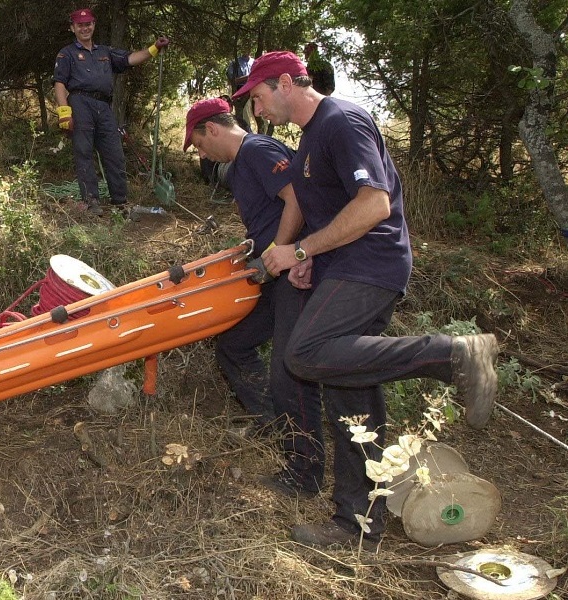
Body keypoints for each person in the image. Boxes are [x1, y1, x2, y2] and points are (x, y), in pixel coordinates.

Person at [238, 51, 499, 550]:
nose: (257, 110)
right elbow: (330, 212)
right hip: (343, 266)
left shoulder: (342, 121)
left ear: (286, 83)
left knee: (304, 352)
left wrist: (301, 250)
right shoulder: (310, 138)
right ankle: (357, 523)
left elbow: (374, 204)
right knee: (350, 393)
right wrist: (309, 254)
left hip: (370, 265)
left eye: (258, 97)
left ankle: (453, 354)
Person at [184, 98, 323, 487]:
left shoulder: (258, 150)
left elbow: (298, 198)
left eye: (199, 144)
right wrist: (253, 250)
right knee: (235, 344)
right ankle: (272, 423)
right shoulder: (244, 161)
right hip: (273, 271)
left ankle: (304, 467)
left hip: (292, 271)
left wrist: (277, 251)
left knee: (288, 366)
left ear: (212, 129)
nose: (202, 154)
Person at [53, 8, 169, 216]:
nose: (85, 28)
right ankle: (91, 202)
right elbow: (59, 83)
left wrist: (154, 48)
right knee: (84, 152)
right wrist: (64, 112)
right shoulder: (66, 53)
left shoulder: (105, 52)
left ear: (94, 25)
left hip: (104, 106)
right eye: (80, 25)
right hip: (80, 103)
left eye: (88, 24)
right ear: (72, 28)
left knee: (114, 153)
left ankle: (120, 202)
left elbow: (130, 59)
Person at [225, 52, 254, 132]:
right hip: (241, 92)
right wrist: (248, 78)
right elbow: (231, 81)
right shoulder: (235, 63)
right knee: (245, 117)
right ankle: (247, 134)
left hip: (254, 90)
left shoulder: (255, 62)